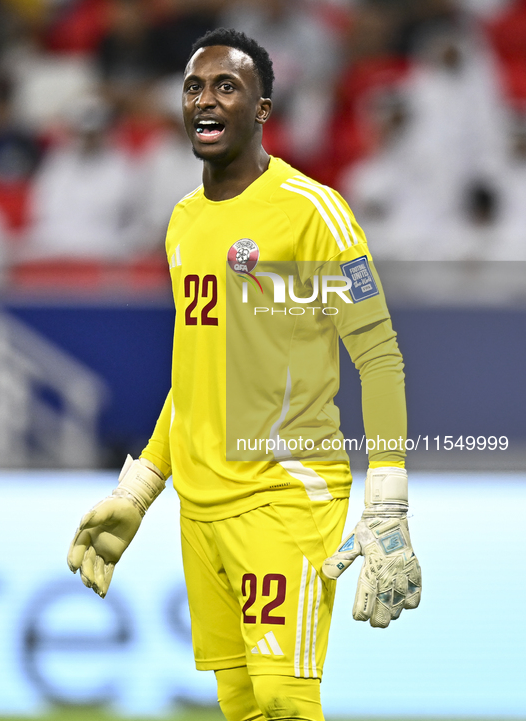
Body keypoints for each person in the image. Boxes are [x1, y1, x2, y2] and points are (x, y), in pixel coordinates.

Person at [67, 29, 422, 721]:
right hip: (200, 506)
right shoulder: (182, 223)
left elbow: (377, 354)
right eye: (193, 87)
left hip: (283, 492)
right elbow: (196, 375)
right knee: (241, 705)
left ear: (261, 108)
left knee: (285, 699)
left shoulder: (311, 212)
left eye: (226, 86)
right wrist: (140, 488)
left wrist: (388, 496)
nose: (205, 99)